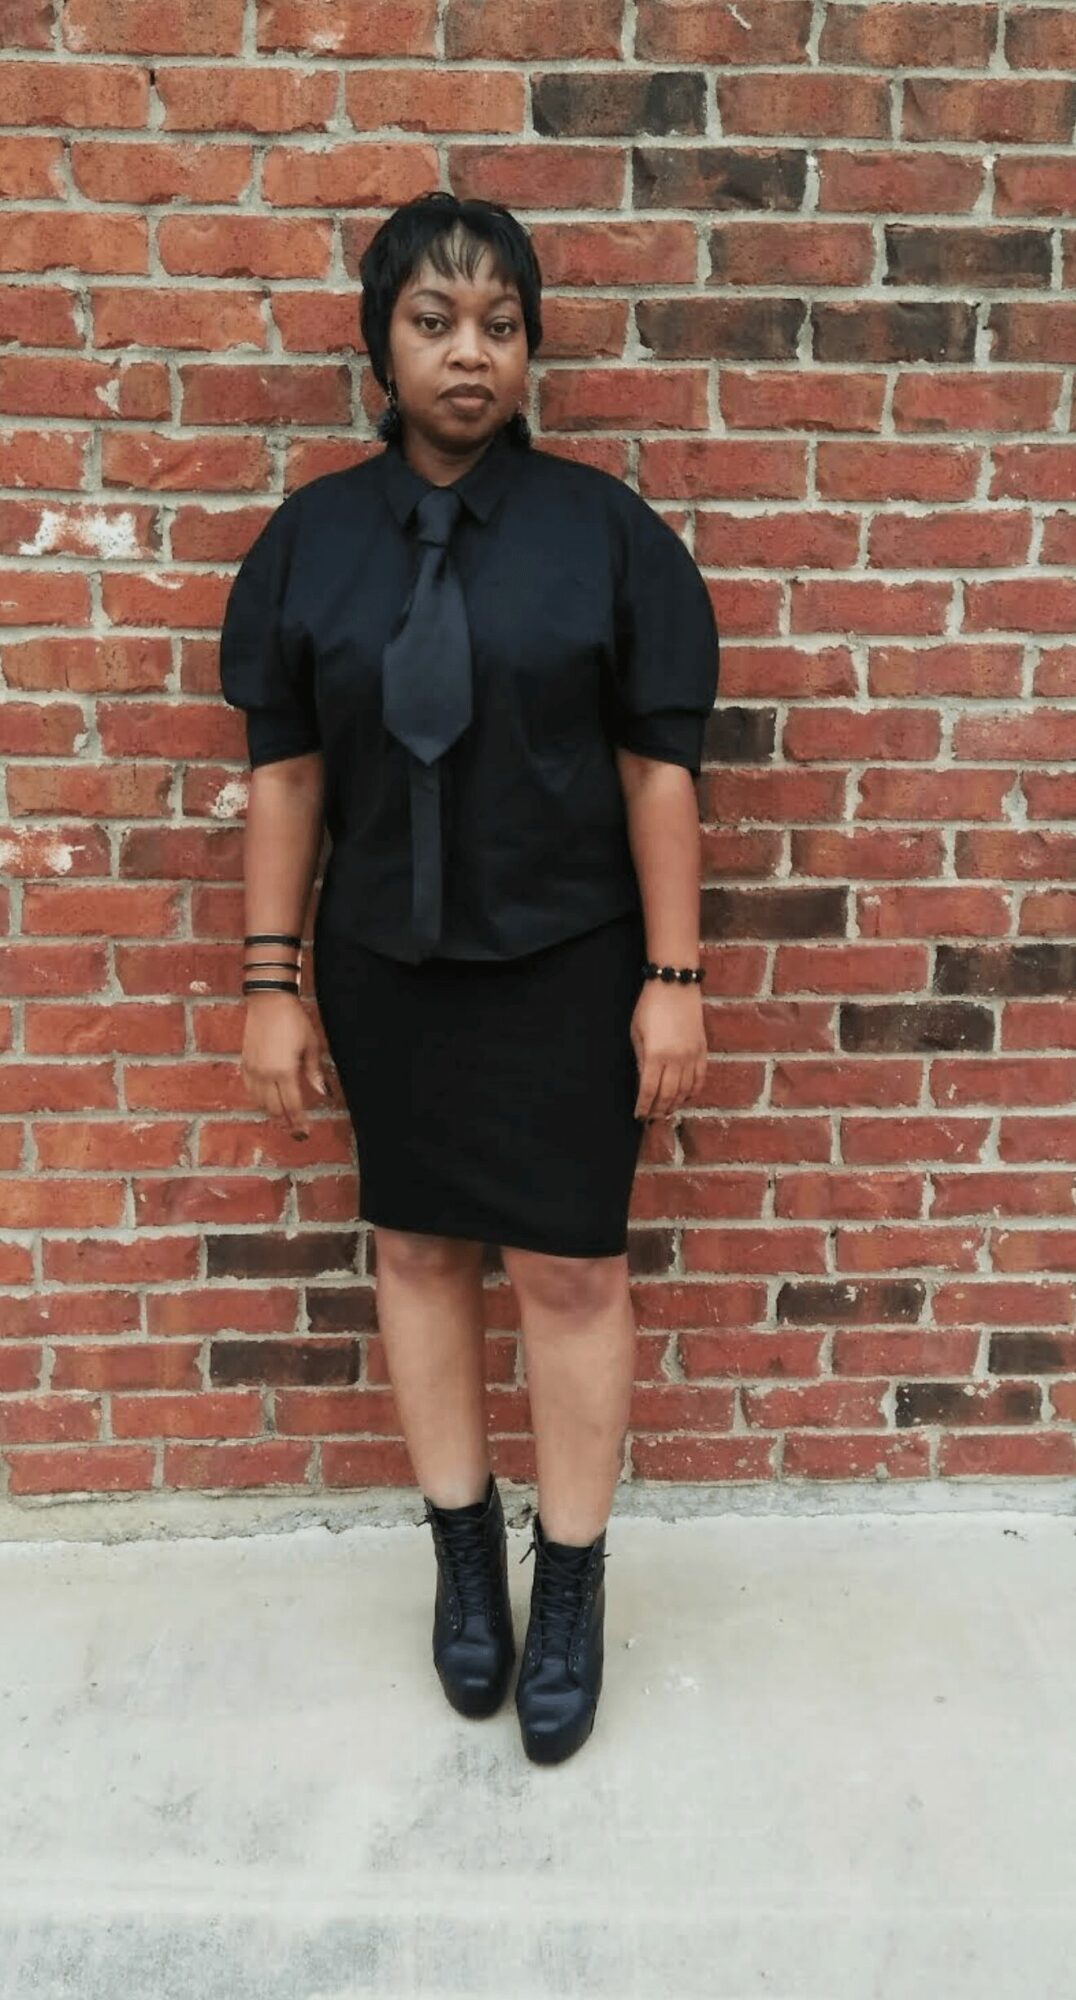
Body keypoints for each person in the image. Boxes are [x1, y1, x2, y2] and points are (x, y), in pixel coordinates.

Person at [218, 191, 719, 1766]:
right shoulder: (311, 544)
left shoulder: (604, 537)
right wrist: (272, 983)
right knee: (421, 1251)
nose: (469, 353)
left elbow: (656, 772)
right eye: (434, 321)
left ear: (529, 350)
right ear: (381, 344)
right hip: (386, 968)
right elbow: (287, 777)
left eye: (500, 325)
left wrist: (675, 974)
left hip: (569, 969)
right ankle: (460, 1558)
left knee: (570, 1273)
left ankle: (567, 1583)